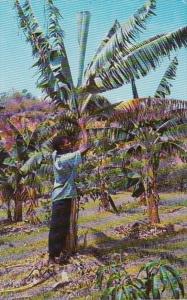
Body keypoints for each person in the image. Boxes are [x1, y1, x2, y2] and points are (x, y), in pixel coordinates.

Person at [48, 120, 90, 264]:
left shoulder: (55, 155)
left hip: (60, 195)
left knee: (60, 226)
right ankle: (53, 257)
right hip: (63, 196)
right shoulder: (66, 158)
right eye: (67, 143)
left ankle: (58, 253)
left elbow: (71, 148)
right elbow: (85, 147)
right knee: (59, 227)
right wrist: (83, 127)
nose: (70, 144)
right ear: (61, 146)